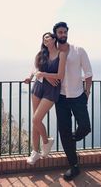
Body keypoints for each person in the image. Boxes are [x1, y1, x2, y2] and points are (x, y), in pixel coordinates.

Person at [49, 22, 93, 181]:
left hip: (78, 96)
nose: (62, 34)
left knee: (85, 127)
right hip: (60, 98)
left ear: (67, 33)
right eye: (59, 32)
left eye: (64, 32)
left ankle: (71, 139)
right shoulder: (52, 53)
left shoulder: (78, 50)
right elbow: (42, 67)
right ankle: (74, 166)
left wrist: (87, 93)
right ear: (55, 34)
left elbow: (88, 73)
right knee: (63, 130)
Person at [24, 32, 67, 165]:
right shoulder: (41, 54)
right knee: (35, 122)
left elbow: (60, 75)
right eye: (43, 39)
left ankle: (46, 142)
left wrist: (44, 74)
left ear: (54, 39)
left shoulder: (61, 54)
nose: (45, 40)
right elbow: (35, 69)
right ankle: (35, 152)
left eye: (47, 37)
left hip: (51, 91)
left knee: (36, 119)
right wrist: (30, 77)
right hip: (38, 87)